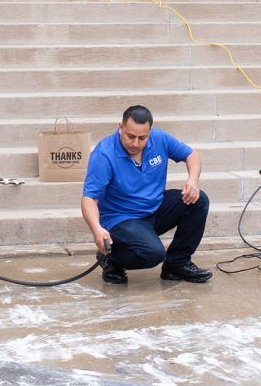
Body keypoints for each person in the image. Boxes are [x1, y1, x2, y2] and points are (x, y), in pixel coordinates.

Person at [81, 105, 212, 284]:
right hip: (121, 219)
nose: (135, 143)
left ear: (150, 132)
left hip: (154, 209)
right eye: (130, 136)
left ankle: (177, 264)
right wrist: (97, 229)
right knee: (153, 254)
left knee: (199, 200)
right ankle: (112, 259)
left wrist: (193, 181)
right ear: (120, 127)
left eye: (142, 138)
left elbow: (192, 155)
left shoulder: (159, 138)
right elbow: (89, 199)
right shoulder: (104, 154)